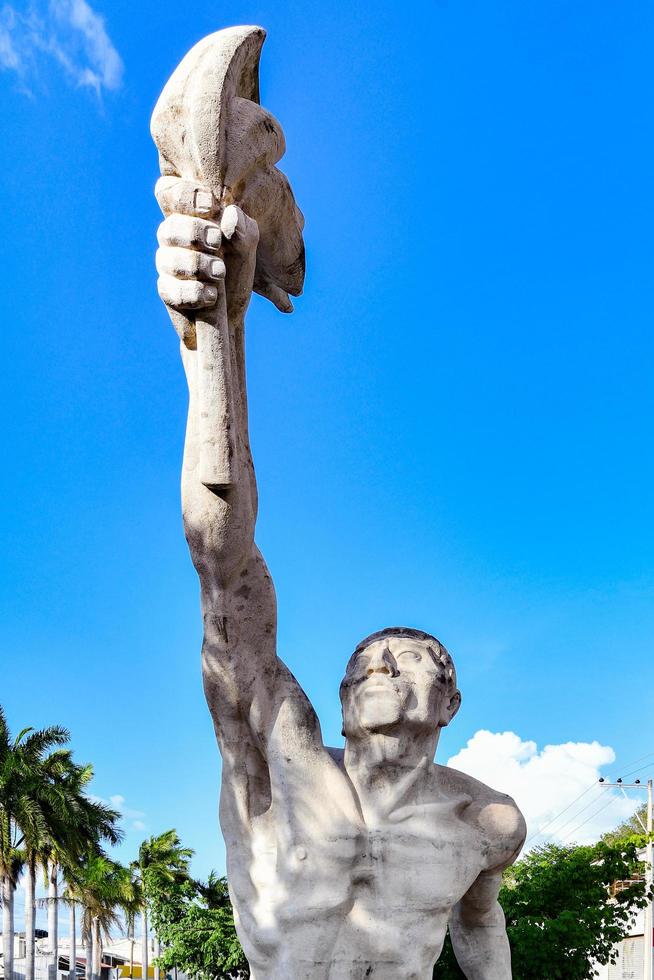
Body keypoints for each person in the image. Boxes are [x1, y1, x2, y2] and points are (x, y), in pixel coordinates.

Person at [155, 175, 526, 980]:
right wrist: (213, 342)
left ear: (451, 702)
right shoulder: (280, 759)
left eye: (409, 659)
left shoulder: (488, 821)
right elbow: (223, 570)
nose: (378, 666)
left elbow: (481, 927)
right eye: (364, 662)